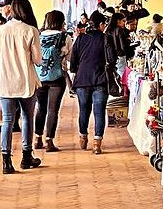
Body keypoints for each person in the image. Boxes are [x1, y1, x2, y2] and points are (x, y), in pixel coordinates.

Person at [0, 0, 43, 174]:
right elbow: (38, 60)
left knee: (7, 120)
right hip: (26, 82)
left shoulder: (0, 31)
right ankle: (26, 156)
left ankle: (6, 161)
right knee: (27, 118)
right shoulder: (31, 31)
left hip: (5, 81)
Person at [69, 11, 113, 154]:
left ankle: (83, 138)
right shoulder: (106, 38)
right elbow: (111, 58)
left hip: (82, 80)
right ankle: (97, 144)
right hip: (100, 79)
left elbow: (73, 60)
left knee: (84, 110)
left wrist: (78, 70)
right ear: (100, 25)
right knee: (99, 112)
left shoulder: (80, 39)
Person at [35, 10, 71, 153]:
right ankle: (49, 141)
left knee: (41, 109)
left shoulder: (37, 35)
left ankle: (37, 139)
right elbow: (70, 57)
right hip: (57, 77)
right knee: (52, 110)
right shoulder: (65, 37)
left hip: (39, 78)